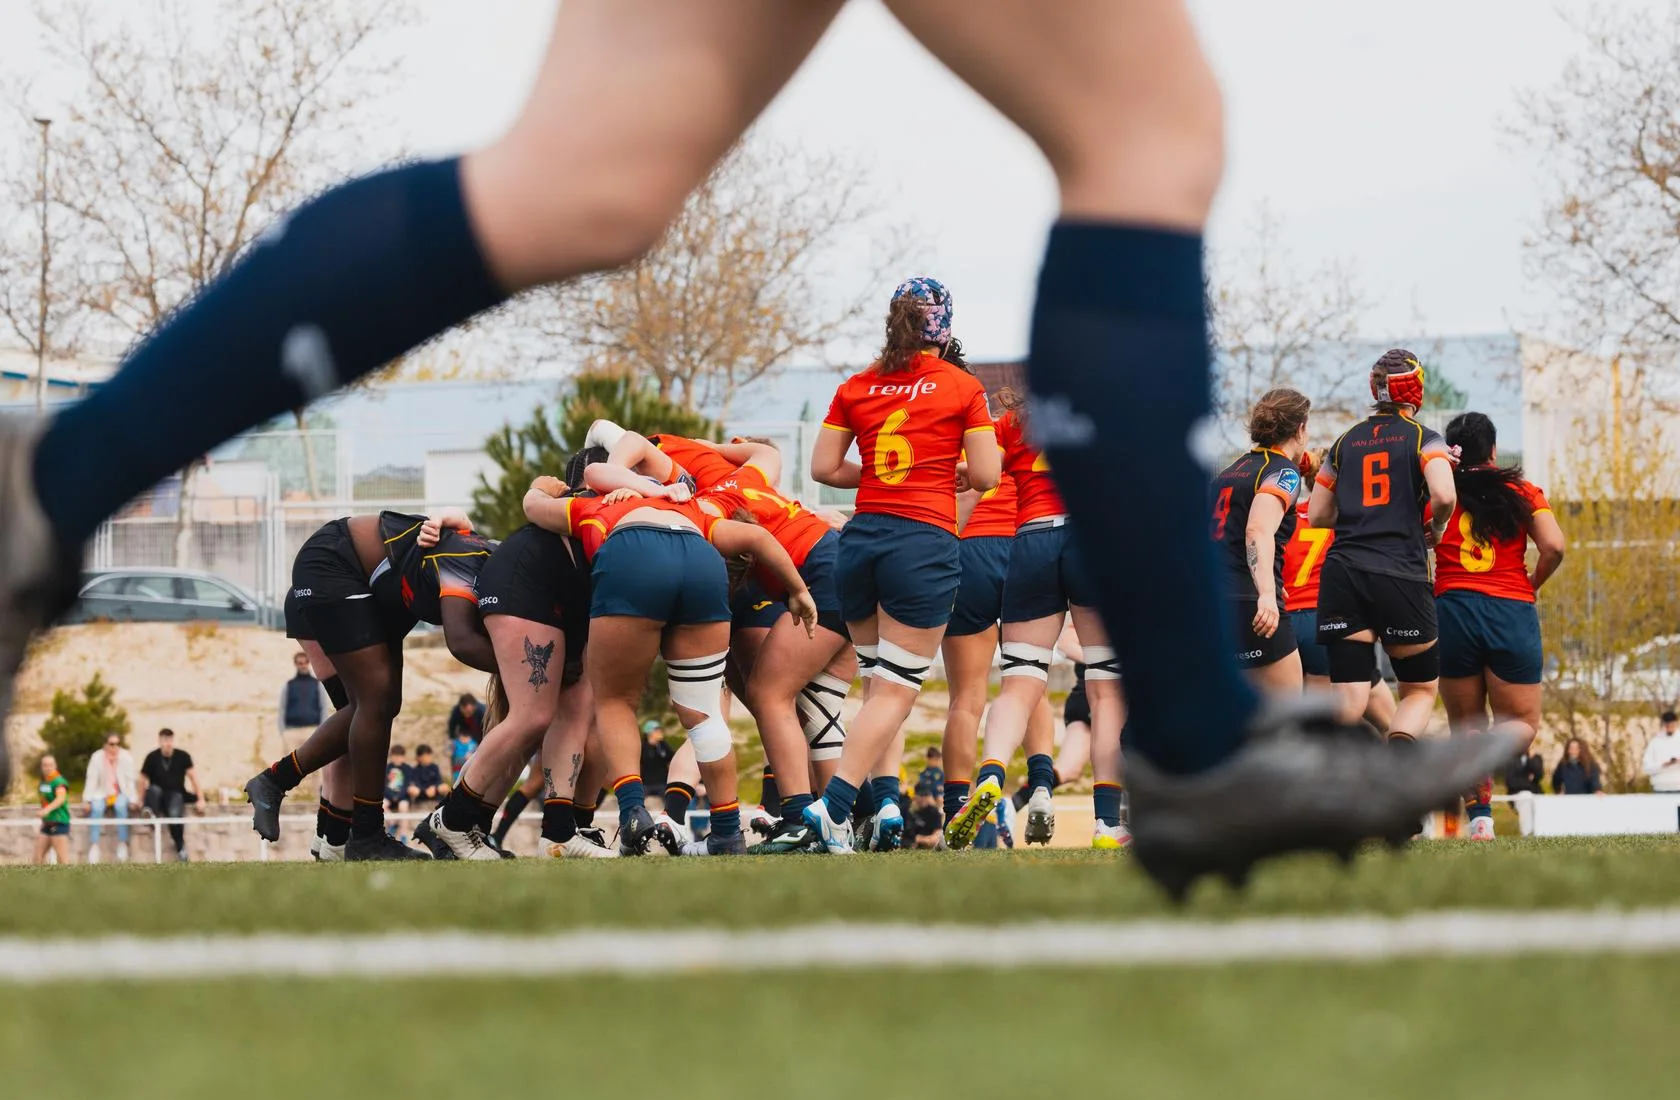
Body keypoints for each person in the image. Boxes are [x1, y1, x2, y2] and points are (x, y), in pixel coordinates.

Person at [0, 0, 1518, 894]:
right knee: (1143, 130)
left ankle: (53, 483)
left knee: (585, 179)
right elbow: (938, 477)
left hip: (846, 558)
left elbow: (857, 478)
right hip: (896, 560)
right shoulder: (872, 416)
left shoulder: (853, 405)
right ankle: (1193, 740)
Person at [803, 278, 1001, 854]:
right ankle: (834, 809)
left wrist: (889, 474)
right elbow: (987, 476)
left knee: (877, 688)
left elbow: (822, 467)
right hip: (922, 544)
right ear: (945, 326)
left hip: (862, 540)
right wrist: (938, 473)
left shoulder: (857, 384)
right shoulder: (963, 386)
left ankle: (885, 805)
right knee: (895, 694)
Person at [522, 475, 816, 855]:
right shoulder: (694, 508)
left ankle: (632, 812)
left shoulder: (598, 504)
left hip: (633, 552)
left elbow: (533, 508)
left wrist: (541, 487)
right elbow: (758, 538)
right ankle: (727, 831)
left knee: (615, 702)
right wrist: (799, 590)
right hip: (700, 557)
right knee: (705, 712)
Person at [244, 511, 496, 860]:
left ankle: (328, 832)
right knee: (372, 705)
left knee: (374, 708)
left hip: (366, 590)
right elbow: (462, 641)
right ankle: (358, 835)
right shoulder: (469, 563)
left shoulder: (481, 565)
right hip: (333, 568)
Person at [944, 382, 1123, 852]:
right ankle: (1106, 824)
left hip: (1030, 541)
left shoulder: (1014, 422)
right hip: (1091, 541)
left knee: (1020, 683)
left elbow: (981, 474)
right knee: (1106, 691)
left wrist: (959, 474)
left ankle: (990, 774)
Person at [417, 512, 605, 861]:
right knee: (532, 717)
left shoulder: (500, 545)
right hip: (519, 602)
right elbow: (459, 641)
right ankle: (452, 818)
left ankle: (476, 825)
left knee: (531, 724)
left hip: (534, 602)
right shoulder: (468, 553)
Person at [1310, 351, 1457, 746]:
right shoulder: (1425, 438)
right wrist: (1436, 525)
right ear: (1416, 386)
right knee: (1419, 692)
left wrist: (1362, 515)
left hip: (1343, 574)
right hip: (1399, 572)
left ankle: (1327, 777)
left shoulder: (1343, 443)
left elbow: (1317, 515)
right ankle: (1400, 760)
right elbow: (1444, 493)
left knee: (1349, 695)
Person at [1433, 411, 1566, 840]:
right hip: (1509, 607)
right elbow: (1554, 546)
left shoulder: (1438, 491)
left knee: (1465, 724)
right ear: (1493, 449)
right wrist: (1532, 583)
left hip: (1451, 607)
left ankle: (1481, 821)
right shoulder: (1523, 490)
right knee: (1522, 723)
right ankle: (1480, 763)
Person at [939, 391, 1016, 838]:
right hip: (1021, 547)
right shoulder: (1016, 430)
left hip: (968, 551)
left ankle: (955, 806)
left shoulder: (947, 435)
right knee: (1027, 684)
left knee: (965, 699)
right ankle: (1038, 784)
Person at [1281, 451, 1398, 733]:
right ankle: (1407, 765)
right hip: (1329, 620)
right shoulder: (1346, 519)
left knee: (1308, 716)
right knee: (1387, 722)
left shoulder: (1287, 518)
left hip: (1288, 622)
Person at [1211, 389, 1310, 694]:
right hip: (1251, 603)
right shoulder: (1283, 472)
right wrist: (1266, 592)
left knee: (1242, 717)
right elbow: (1257, 530)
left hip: (1215, 601)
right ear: (1300, 429)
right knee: (1291, 716)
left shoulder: (1228, 473)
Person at [138, 728, 202, 863]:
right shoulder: (152, 757)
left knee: (174, 814)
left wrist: (200, 798)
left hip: (175, 793)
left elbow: (193, 777)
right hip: (157, 796)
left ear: (173, 741)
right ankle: (150, 815)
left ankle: (181, 848)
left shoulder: (183, 756)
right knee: (153, 790)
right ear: (160, 741)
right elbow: (142, 779)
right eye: (164, 741)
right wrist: (140, 799)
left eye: (169, 741)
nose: (167, 744)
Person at [83, 733, 138, 864]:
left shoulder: (126, 757)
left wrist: (133, 799)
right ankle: (94, 845)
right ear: (105, 745)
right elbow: (91, 779)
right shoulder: (96, 757)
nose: (115, 747)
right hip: (101, 793)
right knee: (96, 808)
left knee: (120, 807)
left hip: (120, 793)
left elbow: (131, 781)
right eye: (111, 744)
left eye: (117, 744)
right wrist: (86, 799)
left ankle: (122, 844)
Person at [279, 651, 331, 754]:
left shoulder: (317, 684)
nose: (303, 665)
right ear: (296, 664)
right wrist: (283, 732)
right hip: (292, 732)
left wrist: (321, 732)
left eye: (305, 662)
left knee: (316, 765)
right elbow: (282, 708)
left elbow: (323, 707)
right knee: (292, 768)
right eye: (300, 663)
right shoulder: (289, 685)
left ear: (309, 663)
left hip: (312, 731)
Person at [33, 754, 71, 865]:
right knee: (37, 858)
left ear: (55, 766)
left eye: (50, 765)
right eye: (45, 765)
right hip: (47, 823)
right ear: (41, 767)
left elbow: (61, 798)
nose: (48, 768)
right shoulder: (43, 782)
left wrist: (47, 810)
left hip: (58, 822)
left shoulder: (59, 782)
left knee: (62, 860)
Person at [1643, 711, 1680, 793]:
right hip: (1660, 788)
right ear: (1663, 725)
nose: (1670, 727)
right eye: (1667, 725)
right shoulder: (1655, 742)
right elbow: (1647, 768)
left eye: (1672, 725)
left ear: (1676, 724)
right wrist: (1662, 765)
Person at [641, 721, 673, 795]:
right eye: (656, 730)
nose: (659, 732)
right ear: (649, 733)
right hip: (646, 784)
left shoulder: (663, 745)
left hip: (662, 783)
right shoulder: (642, 747)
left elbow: (672, 758)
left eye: (659, 729)